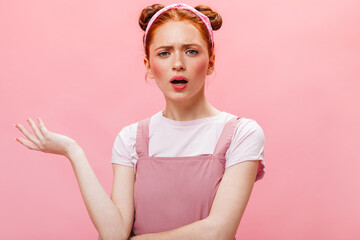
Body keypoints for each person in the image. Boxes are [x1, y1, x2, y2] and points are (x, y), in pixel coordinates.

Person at [14, 3, 265, 240]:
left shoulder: (241, 133)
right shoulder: (131, 139)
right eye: (164, 53)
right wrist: (73, 151)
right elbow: (114, 232)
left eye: (191, 51)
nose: (178, 64)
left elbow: (218, 232)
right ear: (148, 65)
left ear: (210, 62)